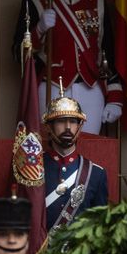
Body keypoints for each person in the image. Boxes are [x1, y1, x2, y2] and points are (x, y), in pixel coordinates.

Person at [12, 0, 124, 134]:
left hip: (90, 87)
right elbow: (17, 55)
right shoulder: (35, 1)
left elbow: (108, 51)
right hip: (51, 87)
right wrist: (38, 30)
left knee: (91, 149)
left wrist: (115, 97)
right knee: (51, 149)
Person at [41, 81, 108, 233]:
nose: (67, 127)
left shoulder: (96, 174)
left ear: (80, 126)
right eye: (60, 121)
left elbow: (99, 227)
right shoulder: (34, 168)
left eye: (72, 121)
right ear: (48, 126)